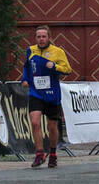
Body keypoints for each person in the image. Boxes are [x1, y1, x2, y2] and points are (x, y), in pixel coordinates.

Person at [22, 26, 70, 169]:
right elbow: (27, 66)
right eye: (39, 37)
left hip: (52, 94)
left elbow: (67, 69)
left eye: (44, 36)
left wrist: (54, 66)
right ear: (35, 38)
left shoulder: (58, 52)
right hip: (36, 92)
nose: (41, 39)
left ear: (49, 37)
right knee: (35, 122)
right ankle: (39, 153)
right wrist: (25, 79)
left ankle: (53, 153)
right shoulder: (31, 50)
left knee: (52, 126)